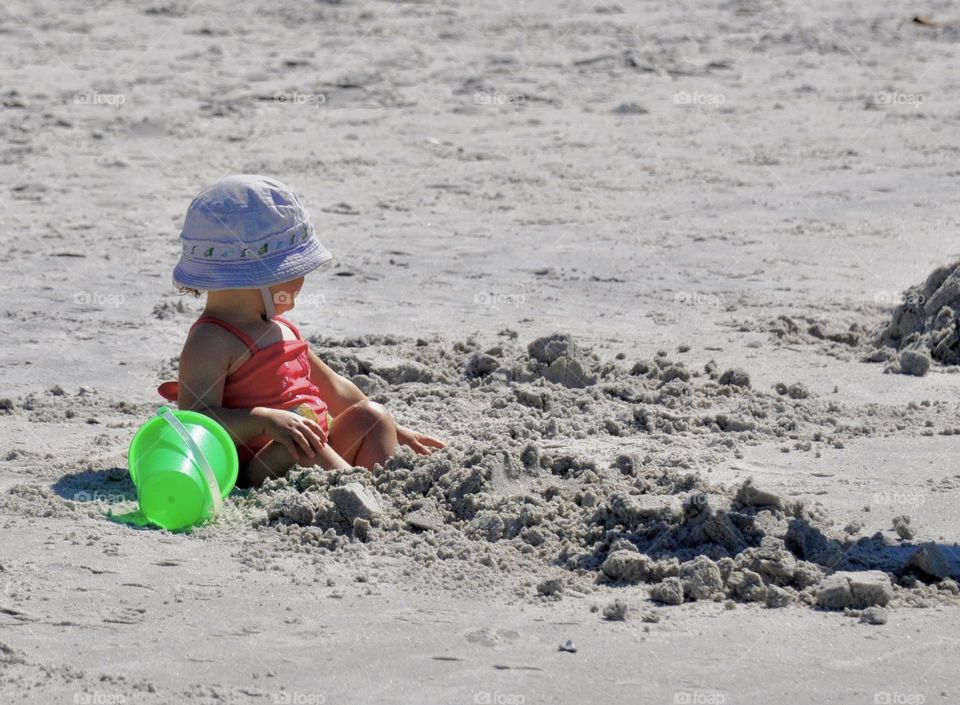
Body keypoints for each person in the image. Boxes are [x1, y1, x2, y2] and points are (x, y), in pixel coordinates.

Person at [157, 174, 444, 487]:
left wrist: (395, 429)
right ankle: (358, 493)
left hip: (315, 444)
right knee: (299, 445)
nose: (303, 281)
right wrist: (264, 421)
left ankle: (391, 489)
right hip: (265, 463)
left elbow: (334, 387)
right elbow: (196, 423)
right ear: (262, 277)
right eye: (298, 271)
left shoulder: (280, 328)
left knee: (370, 415)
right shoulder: (211, 340)